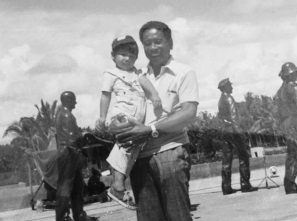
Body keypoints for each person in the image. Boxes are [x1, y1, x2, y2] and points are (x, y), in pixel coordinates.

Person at [109, 21, 199, 221]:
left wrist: (150, 129)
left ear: (170, 43)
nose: (152, 48)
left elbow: (189, 112)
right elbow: (121, 109)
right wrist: (116, 125)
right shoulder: (137, 76)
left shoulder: (184, 72)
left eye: (158, 42)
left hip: (170, 152)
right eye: (147, 44)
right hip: (139, 157)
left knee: (178, 216)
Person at [96, 35, 163, 209]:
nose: (127, 58)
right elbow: (105, 95)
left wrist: (155, 96)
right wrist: (102, 117)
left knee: (131, 147)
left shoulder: (138, 74)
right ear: (113, 56)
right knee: (126, 143)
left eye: (131, 55)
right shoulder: (112, 74)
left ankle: (119, 183)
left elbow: (147, 85)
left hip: (137, 118)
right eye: (122, 54)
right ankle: (117, 185)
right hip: (122, 115)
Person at [55, 91, 97, 221]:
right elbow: (71, 138)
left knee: (77, 186)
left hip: (71, 154)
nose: (76, 103)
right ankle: (62, 217)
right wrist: (83, 135)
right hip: (68, 153)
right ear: (67, 101)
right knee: (65, 187)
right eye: (73, 100)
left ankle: (79, 215)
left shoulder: (65, 114)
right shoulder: (66, 115)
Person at [217, 78, 257, 195]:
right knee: (243, 157)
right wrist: (241, 134)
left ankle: (226, 187)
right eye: (230, 85)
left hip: (225, 131)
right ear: (225, 87)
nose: (232, 87)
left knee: (226, 160)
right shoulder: (229, 98)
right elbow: (234, 118)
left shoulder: (220, 100)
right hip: (233, 131)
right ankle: (245, 184)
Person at [275, 62, 297, 194]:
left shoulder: (280, 90)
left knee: (292, 155)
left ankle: (289, 185)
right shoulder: (293, 87)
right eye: (295, 72)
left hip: (286, 124)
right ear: (290, 74)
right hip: (296, 123)